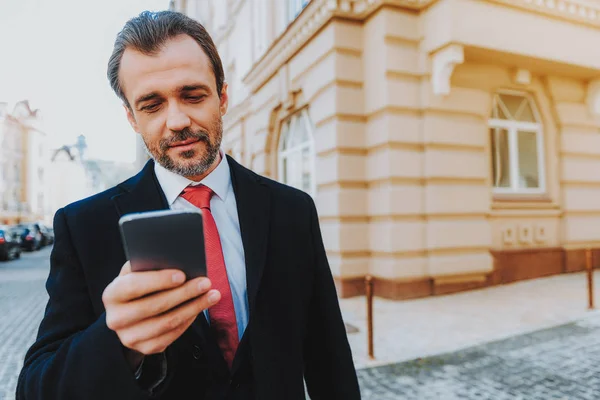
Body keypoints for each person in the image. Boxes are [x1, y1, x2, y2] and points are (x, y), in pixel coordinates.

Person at [16, 10, 361, 400]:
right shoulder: (84, 227)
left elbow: (327, 354)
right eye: (152, 105)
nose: (177, 120)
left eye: (192, 95)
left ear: (223, 97)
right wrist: (118, 340)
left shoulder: (292, 209)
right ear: (132, 118)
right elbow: (35, 388)